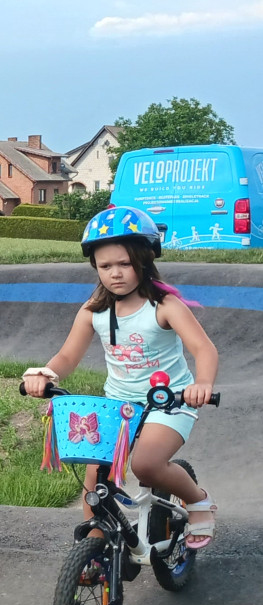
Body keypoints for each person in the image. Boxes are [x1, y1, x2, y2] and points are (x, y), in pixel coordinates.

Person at [22, 206, 219, 549]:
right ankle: (94, 548)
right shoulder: (94, 311)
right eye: (105, 266)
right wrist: (46, 373)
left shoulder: (164, 305)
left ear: (144, 260)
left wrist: (201, 384)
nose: (115, 273)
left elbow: (204, 349)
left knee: (145, 464)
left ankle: (199, 500)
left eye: (124, 264)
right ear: (95, 268)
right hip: (119, 405)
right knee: (94, 475)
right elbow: (68, 355)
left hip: (168, 402)